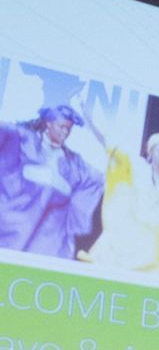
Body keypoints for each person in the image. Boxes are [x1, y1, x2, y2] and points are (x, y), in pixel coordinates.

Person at [79, 114, 159, 277]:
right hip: (130, 242)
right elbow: (108, 143)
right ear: (151, 151)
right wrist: (88, 118)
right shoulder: (138, 168)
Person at [0, 104, 105, 258]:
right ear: (48, 124)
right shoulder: (25, 139)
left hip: (51, 229)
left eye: (68, 129)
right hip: (18, 213)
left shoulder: (73, 161)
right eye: (61, 127)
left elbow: (97, 179)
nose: (65, 132)